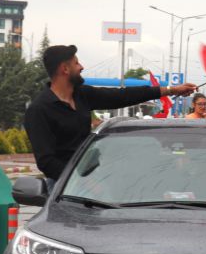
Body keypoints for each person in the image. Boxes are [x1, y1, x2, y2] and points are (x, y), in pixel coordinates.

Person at [24, 45, 196, 190]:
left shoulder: (82, 95)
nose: (82, 67)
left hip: (93, 178)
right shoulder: (39, 110)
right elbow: (46, 162)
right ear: (65, 69)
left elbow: (122, 96)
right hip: (64, 187)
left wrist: (171, 90)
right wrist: (78, 180)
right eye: (76, 63)